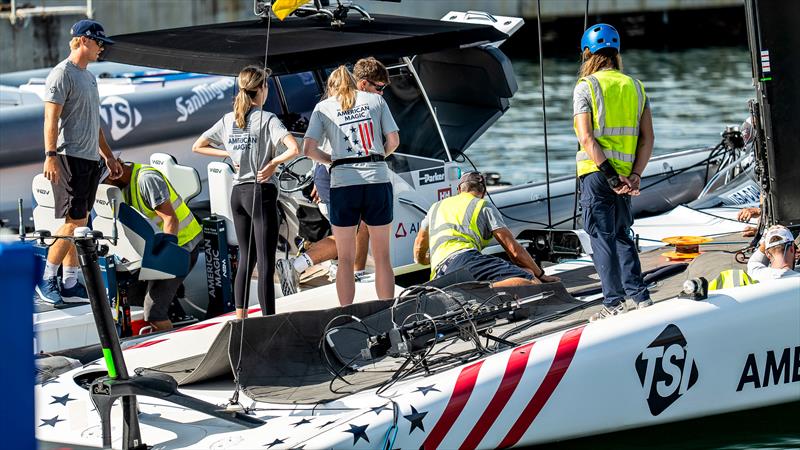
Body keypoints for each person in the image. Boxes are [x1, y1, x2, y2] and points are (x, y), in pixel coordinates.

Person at [192, 65, 301, 319]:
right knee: (265, 262)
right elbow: (293, 149)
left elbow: (198, 146)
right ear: (261, 89)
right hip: (260, 194)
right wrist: (273, 163)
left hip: (238, 194)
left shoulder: (229, 119)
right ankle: (268, 321)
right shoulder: (268, 118)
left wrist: (228, 153)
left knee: (246, 259)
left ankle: (240, 319)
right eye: (267, 87)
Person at [275, 57, 389, 295]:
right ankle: (295, 266)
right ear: (363, 84)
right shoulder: (343, 105)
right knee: (348, 233)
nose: (382, 93)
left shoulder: (345, 104)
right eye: (379, 88)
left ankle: (355, 272)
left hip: (339, 173)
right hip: (332, 174)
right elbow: (323, 148)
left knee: (361, 228)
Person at [36, 19, 123, 306]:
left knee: (82, 222)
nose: (102, 49)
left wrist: (108, 156)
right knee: (73, 223)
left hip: (88, 159)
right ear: (84, 40)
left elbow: (94, 122)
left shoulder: (89, 77)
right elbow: (51, 118)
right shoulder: (62, 74)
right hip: (68, 157)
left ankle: (70, 280)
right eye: (99, 43)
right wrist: (50, 156)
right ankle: (47, 278)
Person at [573, 23, 654, 321]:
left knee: (600, 236)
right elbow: (647, 138)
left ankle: (613, 302)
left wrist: (607, 174)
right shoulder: (635, 87)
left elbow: (586, 137)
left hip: (597, 173)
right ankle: (639, 296)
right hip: (626, 173)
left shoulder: (586, 87)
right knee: (622, 233)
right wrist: (635, 175)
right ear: (616, 53)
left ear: (587, 54)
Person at [303, 65, 400, 305]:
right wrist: (377, 157)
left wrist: (332, 161)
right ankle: (387, 312)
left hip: (343, 183)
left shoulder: (322, 107)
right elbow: (394, 141)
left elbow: (308, 150)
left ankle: (347, 313)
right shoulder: (375, 101)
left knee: (345, 259)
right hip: (376, 179)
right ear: (355, 81)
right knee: (382, 258)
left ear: (331, 87)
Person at [101, 158, 202, 331]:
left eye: (102, 182)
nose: (101, 188)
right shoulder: (121, 187)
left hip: (181, 247)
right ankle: (176, 316)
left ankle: (173, 349)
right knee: (131, 294)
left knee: (154, 312)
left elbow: (171, 219)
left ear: (114, 172)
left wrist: (166, 258)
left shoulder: (146, 179)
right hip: (156, 248)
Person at [414, 172, 560, 286]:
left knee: (525, 272)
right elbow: (513, 250)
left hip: (440, 273)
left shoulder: (435, 207)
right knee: (532, 281)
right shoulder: (482, 205)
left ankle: (471, 288)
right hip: (466, 259)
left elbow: (419, 245)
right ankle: (484, 289)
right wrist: (541, 275)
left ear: (459, 189)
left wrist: (426, 260)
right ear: (483, 192)